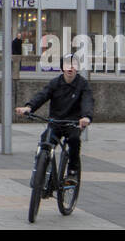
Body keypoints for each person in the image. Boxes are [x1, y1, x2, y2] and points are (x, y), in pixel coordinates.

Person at [16, 55, 94, 184]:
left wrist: (86, 117)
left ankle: (72, 172)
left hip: (73, 123)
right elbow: (42, 95)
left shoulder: (83, 84)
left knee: (74, 140)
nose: (70, 68)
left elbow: (87, 101)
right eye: (67, 64)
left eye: (74, 64)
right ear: (62, 67)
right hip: (55, 122)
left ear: (78, 68)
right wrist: (29, 107)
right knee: (45, 141)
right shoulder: (55, 83)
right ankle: (42, 172)